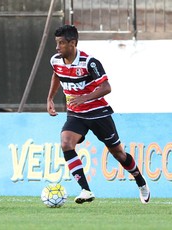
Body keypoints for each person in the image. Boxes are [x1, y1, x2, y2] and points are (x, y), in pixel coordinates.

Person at [47, 25, 150, 204]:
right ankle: (85, 190)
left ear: (73, 43)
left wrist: (85, 97)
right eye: (57, 43)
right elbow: (57, 75)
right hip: (76, 114)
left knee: (118, 154)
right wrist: (50, 98)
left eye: (61, 43)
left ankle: (140, 181)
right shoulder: (56, 60)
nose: (57, 47)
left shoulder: (89, 62)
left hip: (98, 113)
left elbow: (106, 87)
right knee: (66, 143)